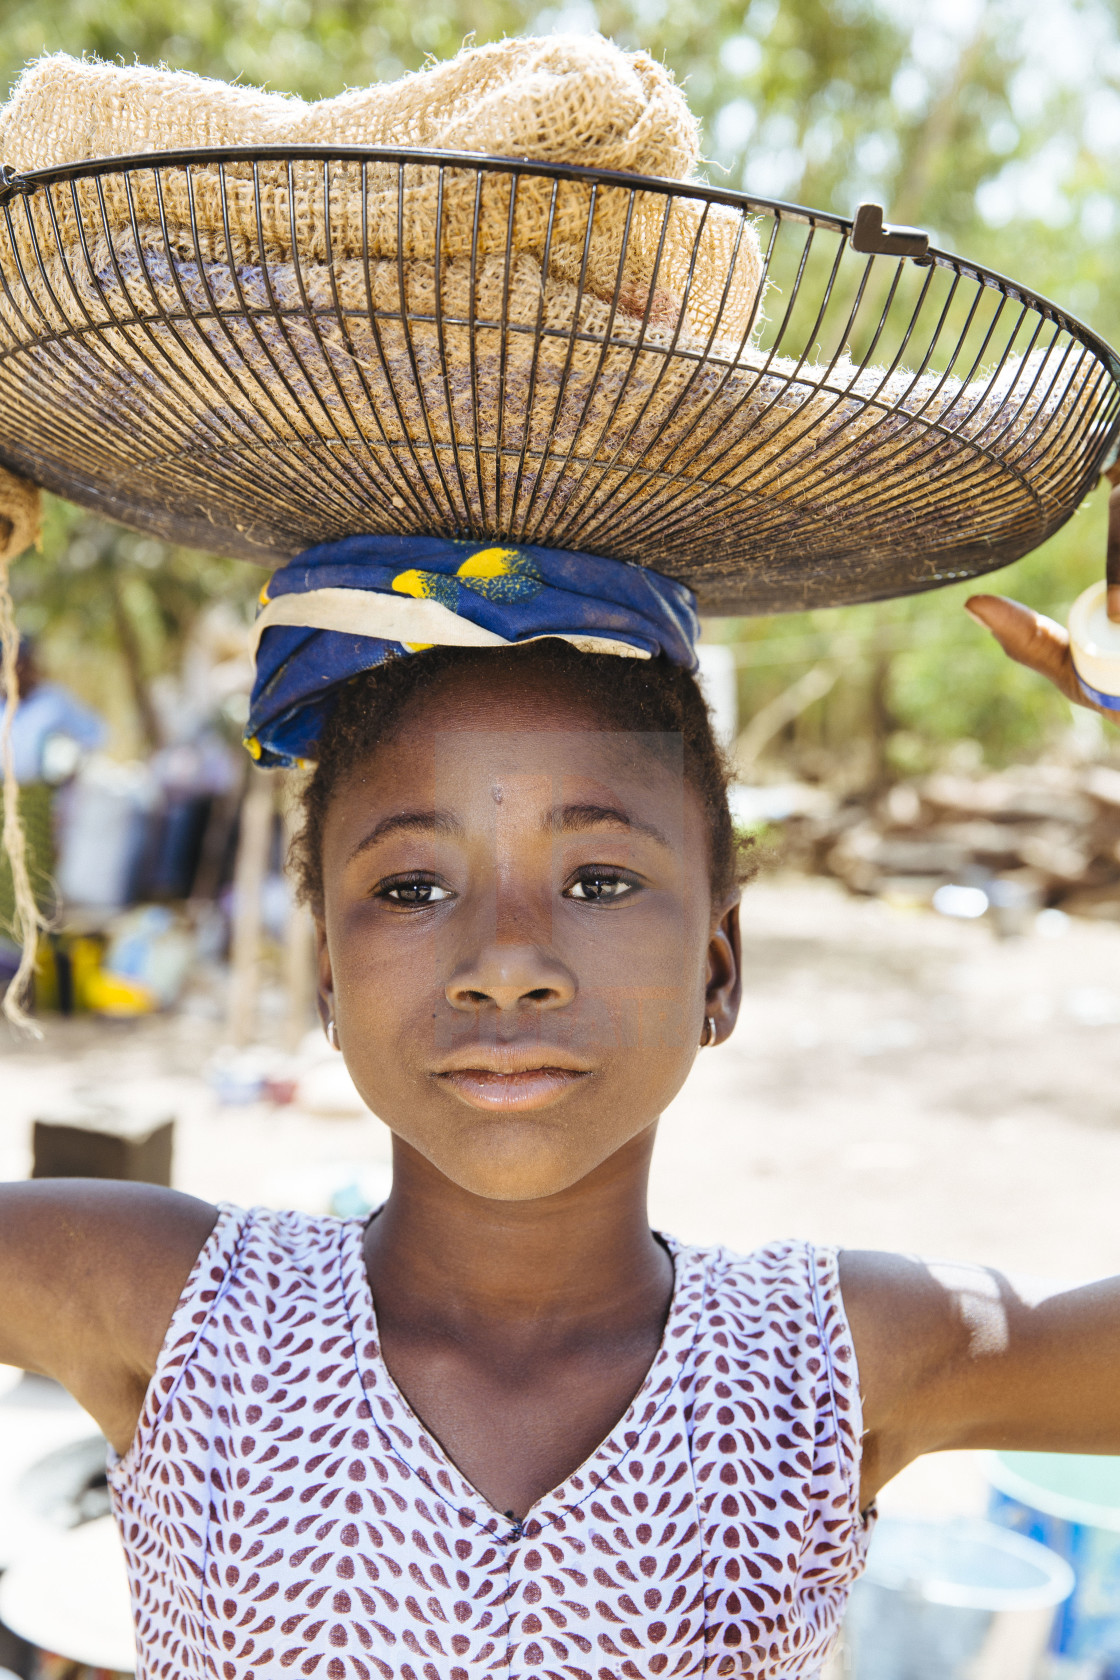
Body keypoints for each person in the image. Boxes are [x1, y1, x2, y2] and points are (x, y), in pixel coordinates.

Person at [0, 534, 1118, 1680]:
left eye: (597, 881)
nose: (506, 962)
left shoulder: (822, 1363)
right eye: (412, 888)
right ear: (328, 976)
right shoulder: (176, 1312)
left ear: (717, 973)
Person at [0, 636, 105, 970]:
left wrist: (69, 773)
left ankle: (29, 963)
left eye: (24, 663)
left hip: (37, 802)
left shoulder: (52, 702)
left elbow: (96, 734)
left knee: (32, 875)